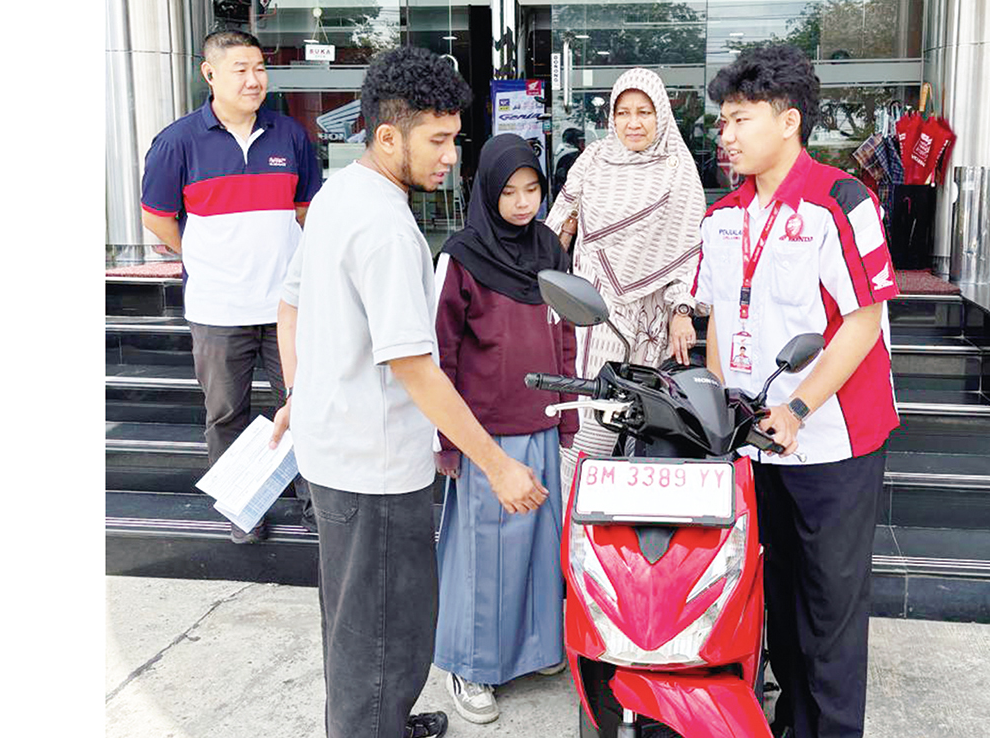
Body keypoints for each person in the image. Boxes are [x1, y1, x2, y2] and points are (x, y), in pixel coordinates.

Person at [269, 46, 548, 738]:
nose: (452, 155)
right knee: (386, 634)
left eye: (455, 138)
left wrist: (302, 393)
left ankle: (382, 720)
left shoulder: (338, 194)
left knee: (356, 623)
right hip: (375, 466)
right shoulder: (389, 227)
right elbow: (416, 365)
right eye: (440, 139)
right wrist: (497, 462)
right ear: (388, 135)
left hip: (333, 451)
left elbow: (292, 305)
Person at [694, 43, 900, 738]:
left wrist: (801, 405)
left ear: (789, 121)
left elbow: (865, 318)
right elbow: (721, 312)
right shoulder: (722, 216)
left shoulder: (842, 202)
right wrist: (721, 402)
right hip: (758, 443)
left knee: (831, 609)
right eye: (722, 121)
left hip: (833, 441)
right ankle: (791, 725)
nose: (726, 134)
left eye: (740, 119)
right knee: (778, 600)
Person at [139, 29, 322, 544]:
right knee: (226, 412)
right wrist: (207, 257)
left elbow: (307, 213)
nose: (253, 78)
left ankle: (314, 506)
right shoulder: (177, 142)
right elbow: (157, 219)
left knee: (302, 402)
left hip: (286, 306)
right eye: (240, 68)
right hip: (217, 308)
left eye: (259, 67)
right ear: (210, 73)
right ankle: (242, 508)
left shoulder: (289, 136)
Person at [431, 133, 577, 725]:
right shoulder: (463, 256)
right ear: (487, 192)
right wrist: (447, 440)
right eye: (510, 192)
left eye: (533, 189)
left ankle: (537, 650)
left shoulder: (548, 245)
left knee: (541, 545)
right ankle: (470, 666)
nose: (522, 203)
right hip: (486, 434)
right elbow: (437, 354)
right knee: (486, 553)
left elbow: (565, 331)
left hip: (541, 422)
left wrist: (567, 409)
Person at [543, 67, 706, 496]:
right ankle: (572, 528)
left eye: (644, 112)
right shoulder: (594, 159)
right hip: (591, 307)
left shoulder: (678, 169)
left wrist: (682, 311)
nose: (633, 123)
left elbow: (688, 246)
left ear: (661, 115)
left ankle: (619, 532)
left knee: (635, 417)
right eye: (623, 112)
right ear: (611, 117)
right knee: (586, 418)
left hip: (648, 315)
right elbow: (559, 221)